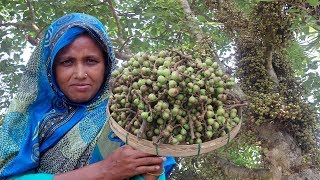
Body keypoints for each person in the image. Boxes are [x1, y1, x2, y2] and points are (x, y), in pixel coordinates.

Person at [0, 13, 175, 179]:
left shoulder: (128, 117)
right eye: (67, 62)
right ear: (51, 68)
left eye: (91, 61)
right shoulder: (26, 121)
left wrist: (150, 171)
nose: (80, 74)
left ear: (107, 66)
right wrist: (103, 171)